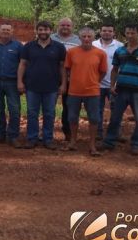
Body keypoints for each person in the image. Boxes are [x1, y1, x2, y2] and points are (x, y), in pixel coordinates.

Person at [101, 24, 138, 156]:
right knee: (115, 117)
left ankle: (136, 144)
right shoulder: (120, 51)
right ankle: (109, 142)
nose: (130, 36)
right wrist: (112, 85)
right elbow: (115, 70)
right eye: (128, 33)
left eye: (133, 33)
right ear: (124, 34)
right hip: (121, 90)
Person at [17, 20, 66, 150]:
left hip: (51, 87)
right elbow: (22, 64)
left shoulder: (59, 47)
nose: (43, 32)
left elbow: (62, 67)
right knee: (32, 113)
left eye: (46, 30)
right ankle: (32, 138)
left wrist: (63, 84)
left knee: (49, 113)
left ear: (51, 31)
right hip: (32, 86)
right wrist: (20, 81)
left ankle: (48, 139)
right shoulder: (28, 46)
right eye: (41, 30)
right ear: (37, 31)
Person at [63, 27, 107, 156]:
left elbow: (103, 71)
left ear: (93, 38)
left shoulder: (100, 53)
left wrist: (94, 81)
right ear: (80, 38)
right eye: (84, 36)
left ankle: (92, 145)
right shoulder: (71, 52)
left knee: (93, 118)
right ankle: (72, 142)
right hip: (74, 92)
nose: (86, 39)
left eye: (89, 37)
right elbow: (67, 69)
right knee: (72, 118)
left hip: (92, 92)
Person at [51, 17, 81, 142]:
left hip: (71, 78)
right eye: (62, 25)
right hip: (51, 76)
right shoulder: (51, 38)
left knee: (68, 106)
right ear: (58, 26)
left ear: (72, 27)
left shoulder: (78, 40)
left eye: (68, 25)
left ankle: (67, 132)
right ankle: (48, 132)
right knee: (49, 105)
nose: (65, 27)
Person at [92, 23, 123, 140]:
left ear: (114, 33)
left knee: (116, 110)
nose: (107, 33)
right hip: (96, 84)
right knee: (97, 110)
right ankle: (98, 133)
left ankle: (116, 133)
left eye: (110, 31)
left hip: (114, 85)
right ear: (100, 32)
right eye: (104, 30)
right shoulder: (93, 44)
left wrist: (115, 84)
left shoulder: (119, 46)